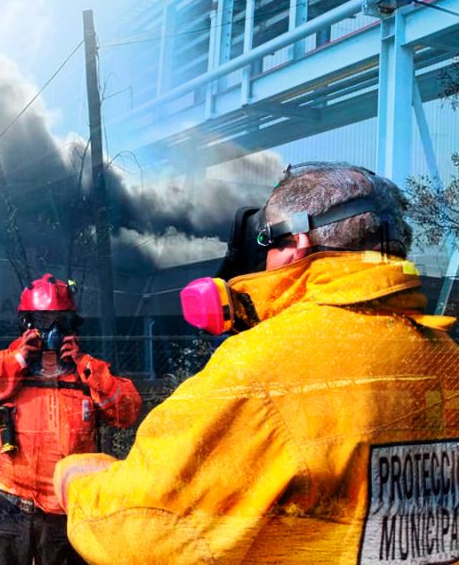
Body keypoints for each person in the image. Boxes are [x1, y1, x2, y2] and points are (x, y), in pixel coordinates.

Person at [53, 162, 459, 564]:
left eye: (265, 245)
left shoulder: (258, 370)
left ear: (295, 242)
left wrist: (77, 484)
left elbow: (145, 531)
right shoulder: (446, 359)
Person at [0, 274, 141, 565]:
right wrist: (17, 360)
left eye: (61, 320)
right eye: (43, 320)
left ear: (73, 325)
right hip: (10, 499)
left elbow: (127, 412)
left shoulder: (87, 373)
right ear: (27, 324)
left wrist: (86, 365)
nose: (52, 329)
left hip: (66, 506)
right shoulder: (7, 365)